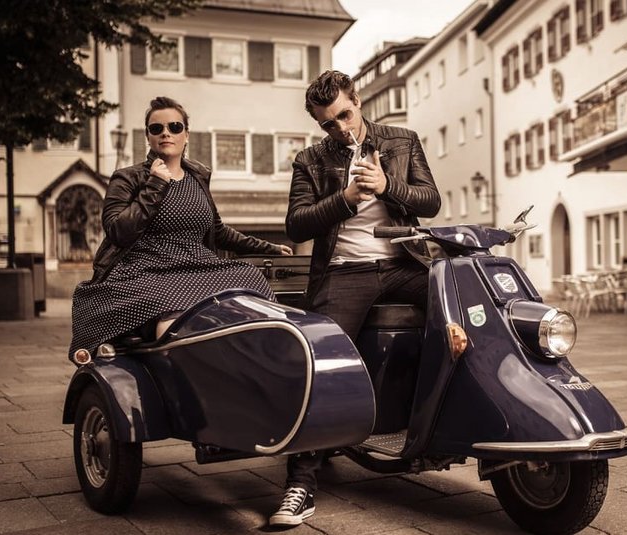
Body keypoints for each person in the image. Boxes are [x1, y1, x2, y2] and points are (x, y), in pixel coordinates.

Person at [269, 71, 441, 527]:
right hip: (346, 271)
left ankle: (443, 423)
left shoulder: (402, 140)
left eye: (345, 115)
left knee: (463, 307)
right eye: (328, 124)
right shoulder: (310, 159)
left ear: (358, 101)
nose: (341, 129)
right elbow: (296, 224)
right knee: (321, 364)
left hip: (404, 264)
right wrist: (345, 199)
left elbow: (431, 201)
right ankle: (301, 484)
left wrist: (388, 188)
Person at [68, 96, 291, 361]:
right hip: (148, 271)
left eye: (174, 127)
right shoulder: (128, 178)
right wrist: (155, 185)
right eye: (156, 128)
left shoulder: (197, 178)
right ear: (148, 137)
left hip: (199, 268)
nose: (166, 133)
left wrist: (271, 247)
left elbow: (218, 232)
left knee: (250, 278)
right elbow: (118, 231)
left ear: (186, 135)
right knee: (174, 316)